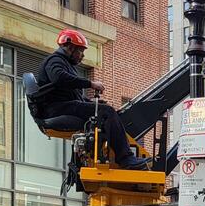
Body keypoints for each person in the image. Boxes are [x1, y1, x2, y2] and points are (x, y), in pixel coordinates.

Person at [35, 29, 146, 170]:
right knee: (106, 112)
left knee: (105, 111)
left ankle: (118, 155)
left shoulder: (64, 64)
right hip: (55, 109)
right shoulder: (55, 60)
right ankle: (126, 159)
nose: (82, 56)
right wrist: (90, 84)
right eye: (81, 51)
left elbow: (73, 95)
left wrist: (90, 103)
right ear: (70, 47)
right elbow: (59, 78)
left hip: (61, 106)